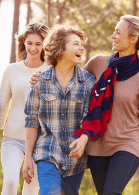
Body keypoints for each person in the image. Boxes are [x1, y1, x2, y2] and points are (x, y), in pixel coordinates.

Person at [31, 14, 139, 194]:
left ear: (133, 38)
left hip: (126, 145)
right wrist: (43, 77)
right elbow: (71, 80)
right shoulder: (99, 63)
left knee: (111, 192)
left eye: (118, 32)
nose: (113, 36)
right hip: (97, 146)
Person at [23, 24, 96, 195]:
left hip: (75, 158)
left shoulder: (88, 82)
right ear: (60, 48)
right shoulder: (41, 82)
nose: (81, 47)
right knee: (50, 192)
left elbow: (90, 117)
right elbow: (31, 120)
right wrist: (27, 157)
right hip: (47, 151)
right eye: (76, 43)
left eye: (81, 44)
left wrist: (84, 138)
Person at [0, 23, 49, 195]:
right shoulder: (11, 71)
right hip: (12, 139)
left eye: (38, 44)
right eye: (29, 43)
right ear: (23, 43)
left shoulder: (51, 71)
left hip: (41, 142)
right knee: (11, 181)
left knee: (31, 189)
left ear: (44, 45)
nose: (33, 48)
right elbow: (2, 107)